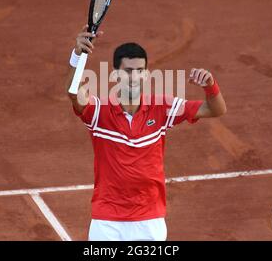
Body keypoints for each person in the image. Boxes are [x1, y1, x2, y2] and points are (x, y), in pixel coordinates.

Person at [66, 24, 227, 241]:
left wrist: (210, 85)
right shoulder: (99, 112)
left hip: (149, 220)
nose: (134, 77)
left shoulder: (162, 108)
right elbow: (73, 94)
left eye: (139, 71)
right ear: (115, 75)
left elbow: (215, 109)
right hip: (107, 221)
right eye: (128, 72)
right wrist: (77, 55)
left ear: (146, 74)